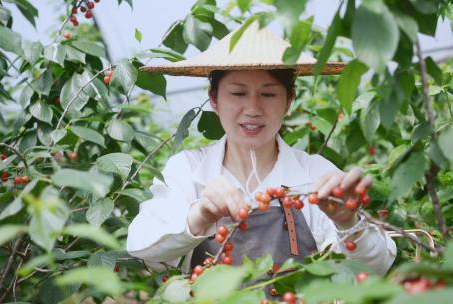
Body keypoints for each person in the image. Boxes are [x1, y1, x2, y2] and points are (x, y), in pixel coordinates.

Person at [126, 20, 396, 277]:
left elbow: (374, 269)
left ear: (288, 101)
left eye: (268, 94)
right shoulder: (188, 171)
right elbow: (145, 251)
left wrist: (347, 223)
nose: (253, 109)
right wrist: (201, 214)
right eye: (238, 93)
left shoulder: (315, 175)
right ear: (214, 100)